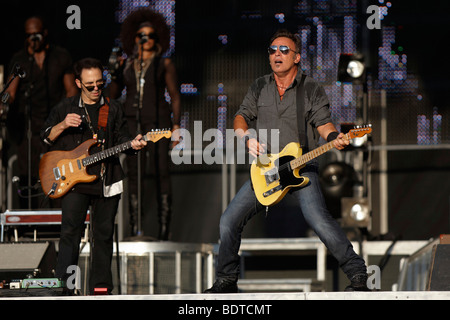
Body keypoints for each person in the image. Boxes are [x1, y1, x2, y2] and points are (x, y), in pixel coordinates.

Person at [204, 29, 369, 293]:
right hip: (267, 169)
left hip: (302, 165)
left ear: (296, 58)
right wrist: (246, 136)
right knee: (228, 220)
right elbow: (240, 117)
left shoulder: (311, 88)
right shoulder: (260, 86)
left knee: (319, 220)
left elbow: (323, 124)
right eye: (272, 50)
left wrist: (337, 137)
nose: (276, 54)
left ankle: (358, 275)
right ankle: (226, 280)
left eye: (283, 50)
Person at [40, 58, 147, 295]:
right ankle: (65, 288)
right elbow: (46, 137)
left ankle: (100, 289)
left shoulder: (114, 107)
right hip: (74, 182)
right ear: (78, 83)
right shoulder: (65, 107)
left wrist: (134, 145)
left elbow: (122, 140)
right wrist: (62, 125)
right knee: (70, 233)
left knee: (103, 235)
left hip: (106, 180)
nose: (97, 89)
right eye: (90, 86)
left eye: (100, 83)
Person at [109, 8, 181, 240]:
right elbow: (113, 93)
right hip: (132, 122)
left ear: (157, 38)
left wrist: (176, 125)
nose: (146, 39)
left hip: (158, 122)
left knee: (161, 171)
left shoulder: (163, 63)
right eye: (141, 35)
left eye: (150, 35)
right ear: (135, 37)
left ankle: (164, 230)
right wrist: (115, 74)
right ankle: (134, 228)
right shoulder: (128, 65)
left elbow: (175, 95)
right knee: (134, 173)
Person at [3, 16, 78, 208]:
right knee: (27, 172)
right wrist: (5, 102)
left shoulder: (60, 56)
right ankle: (29, 223)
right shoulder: (20, 59)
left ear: (44, 33)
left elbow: (71, 90)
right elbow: (11, 92)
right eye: (28, 35)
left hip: (55, 124)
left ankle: (57, 219)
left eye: (35, 34)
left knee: (56, 171)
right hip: (29, 126)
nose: (32, 39)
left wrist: (64, 116)